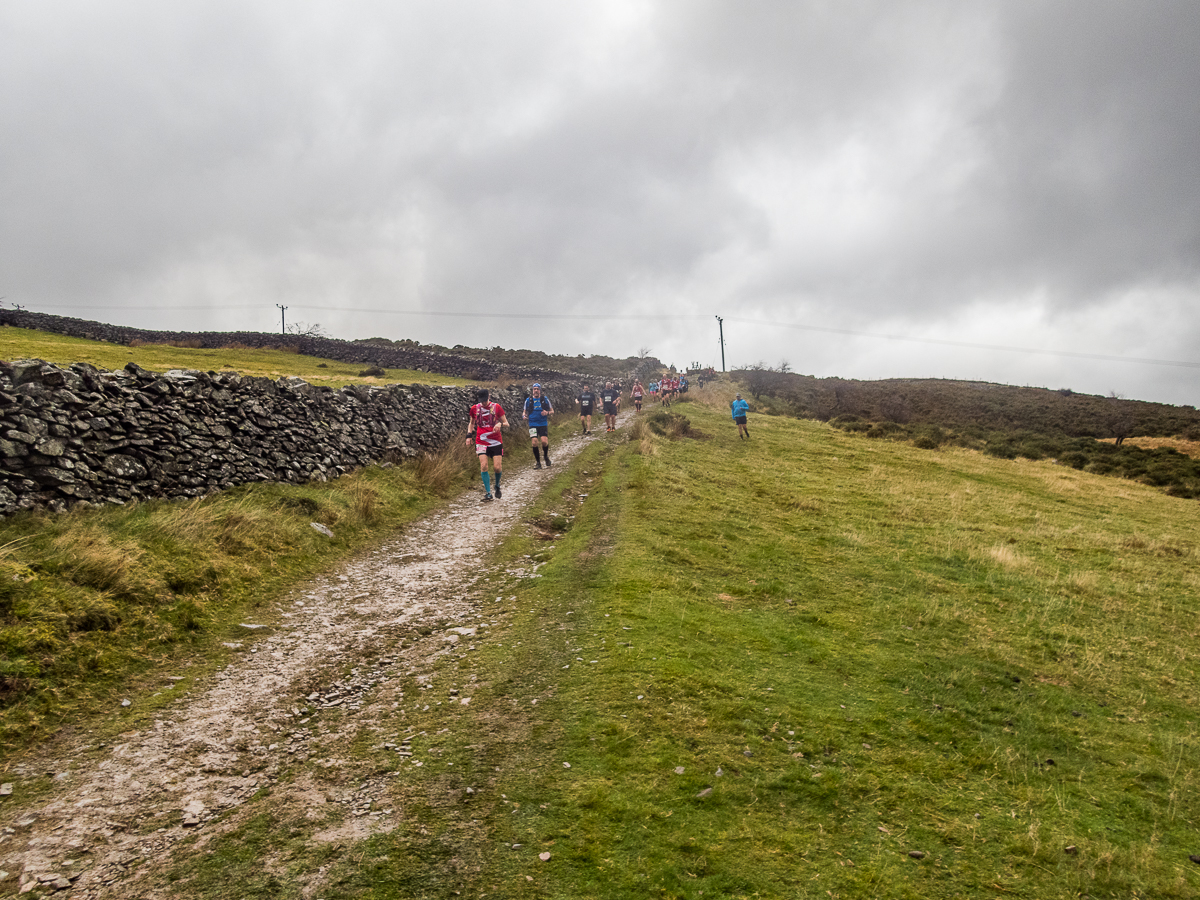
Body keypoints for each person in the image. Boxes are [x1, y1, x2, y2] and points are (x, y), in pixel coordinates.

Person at [467, 388, 509, 501]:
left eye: (485, 400)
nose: (484, 402)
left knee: (497, 467)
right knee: (484, 465)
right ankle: (488, 493)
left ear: (489, 397)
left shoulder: (496, 407)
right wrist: (469, 435)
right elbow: (471, 423)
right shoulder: (474, 409)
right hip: (481, 440)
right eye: (482, 400)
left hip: (496, 440)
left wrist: (500, 424)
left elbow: (506, 423)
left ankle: (497, 485)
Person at [523, 382, 554, 468]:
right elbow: (524, 411)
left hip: (543, 424)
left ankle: (545, 456)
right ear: (532, 391)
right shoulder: (528, 400)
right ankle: (538, 462)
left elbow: (552, 411)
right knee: (534, 442)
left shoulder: (545, 399)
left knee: (544, 442)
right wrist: (524, 416)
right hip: (532, 424)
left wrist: (547, 412)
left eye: (537, 389)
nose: (536, 391)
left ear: (540, 390)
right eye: (534, 389)